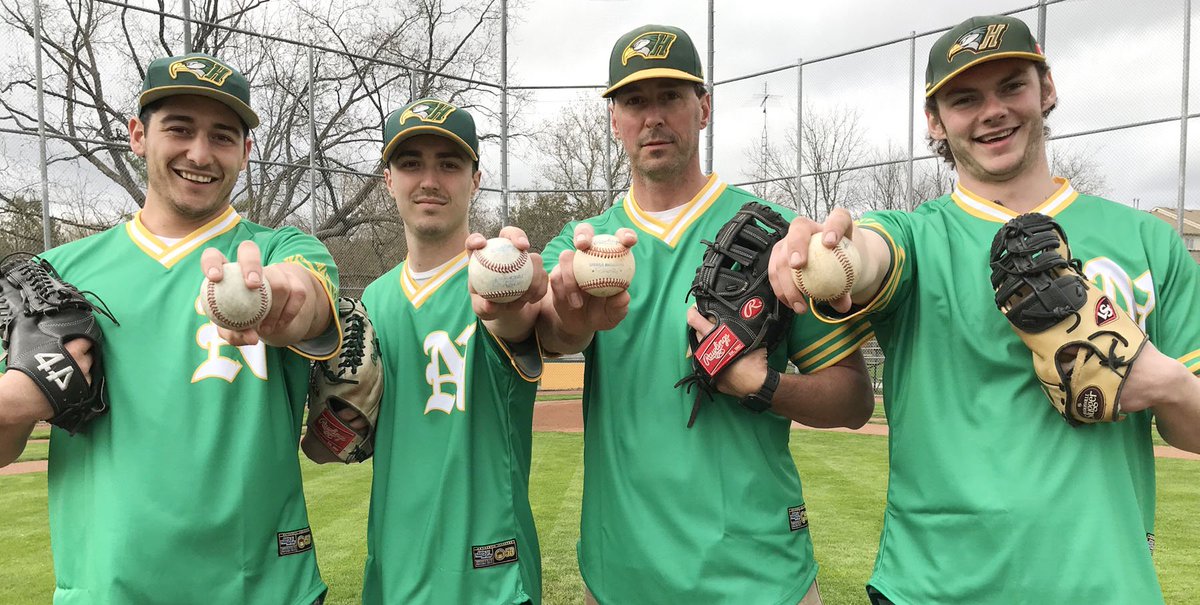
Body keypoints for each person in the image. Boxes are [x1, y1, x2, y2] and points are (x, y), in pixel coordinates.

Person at [770, 15, 1200, 605]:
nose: (992, 111)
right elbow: (871, 254)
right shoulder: (918, 238)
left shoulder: (1148, 241)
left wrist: (1167, 382)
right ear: (935, 121)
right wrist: (834, 249)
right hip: (935, 589)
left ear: (1046, 89)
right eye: (965, 99)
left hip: (1105, 586)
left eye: (1011, 86)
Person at [535, 24, 876, 605]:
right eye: (634, 101)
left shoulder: (776, 236)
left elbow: (853, 399)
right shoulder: (581, 246)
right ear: (614, 119)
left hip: (760, 579)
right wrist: (572, 317)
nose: (653, 117)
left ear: (704, 108)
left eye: (670, 96)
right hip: (620, 579)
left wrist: (762, 385)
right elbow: (546, 330)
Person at [0, 52, 341, 603]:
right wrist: (17, 399)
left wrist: (278, 296)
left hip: (263, 588)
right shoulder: (54, 277)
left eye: (222, 136)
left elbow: (306, 301)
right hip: (108, 589)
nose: (200, 153)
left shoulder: (284, 249)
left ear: (246, 152)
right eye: (179, 129)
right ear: (138, 136)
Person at [301, 98, 547, 605]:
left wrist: (518, 299)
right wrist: (334, 428)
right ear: (388, 180)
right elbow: (326, 448)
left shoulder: (498, 287)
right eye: (411, 163)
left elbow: (522, 319)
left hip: (489, 580)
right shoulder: (372, 303)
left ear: (475, 180)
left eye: (449, 164)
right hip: (393, 574)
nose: (429, 180)